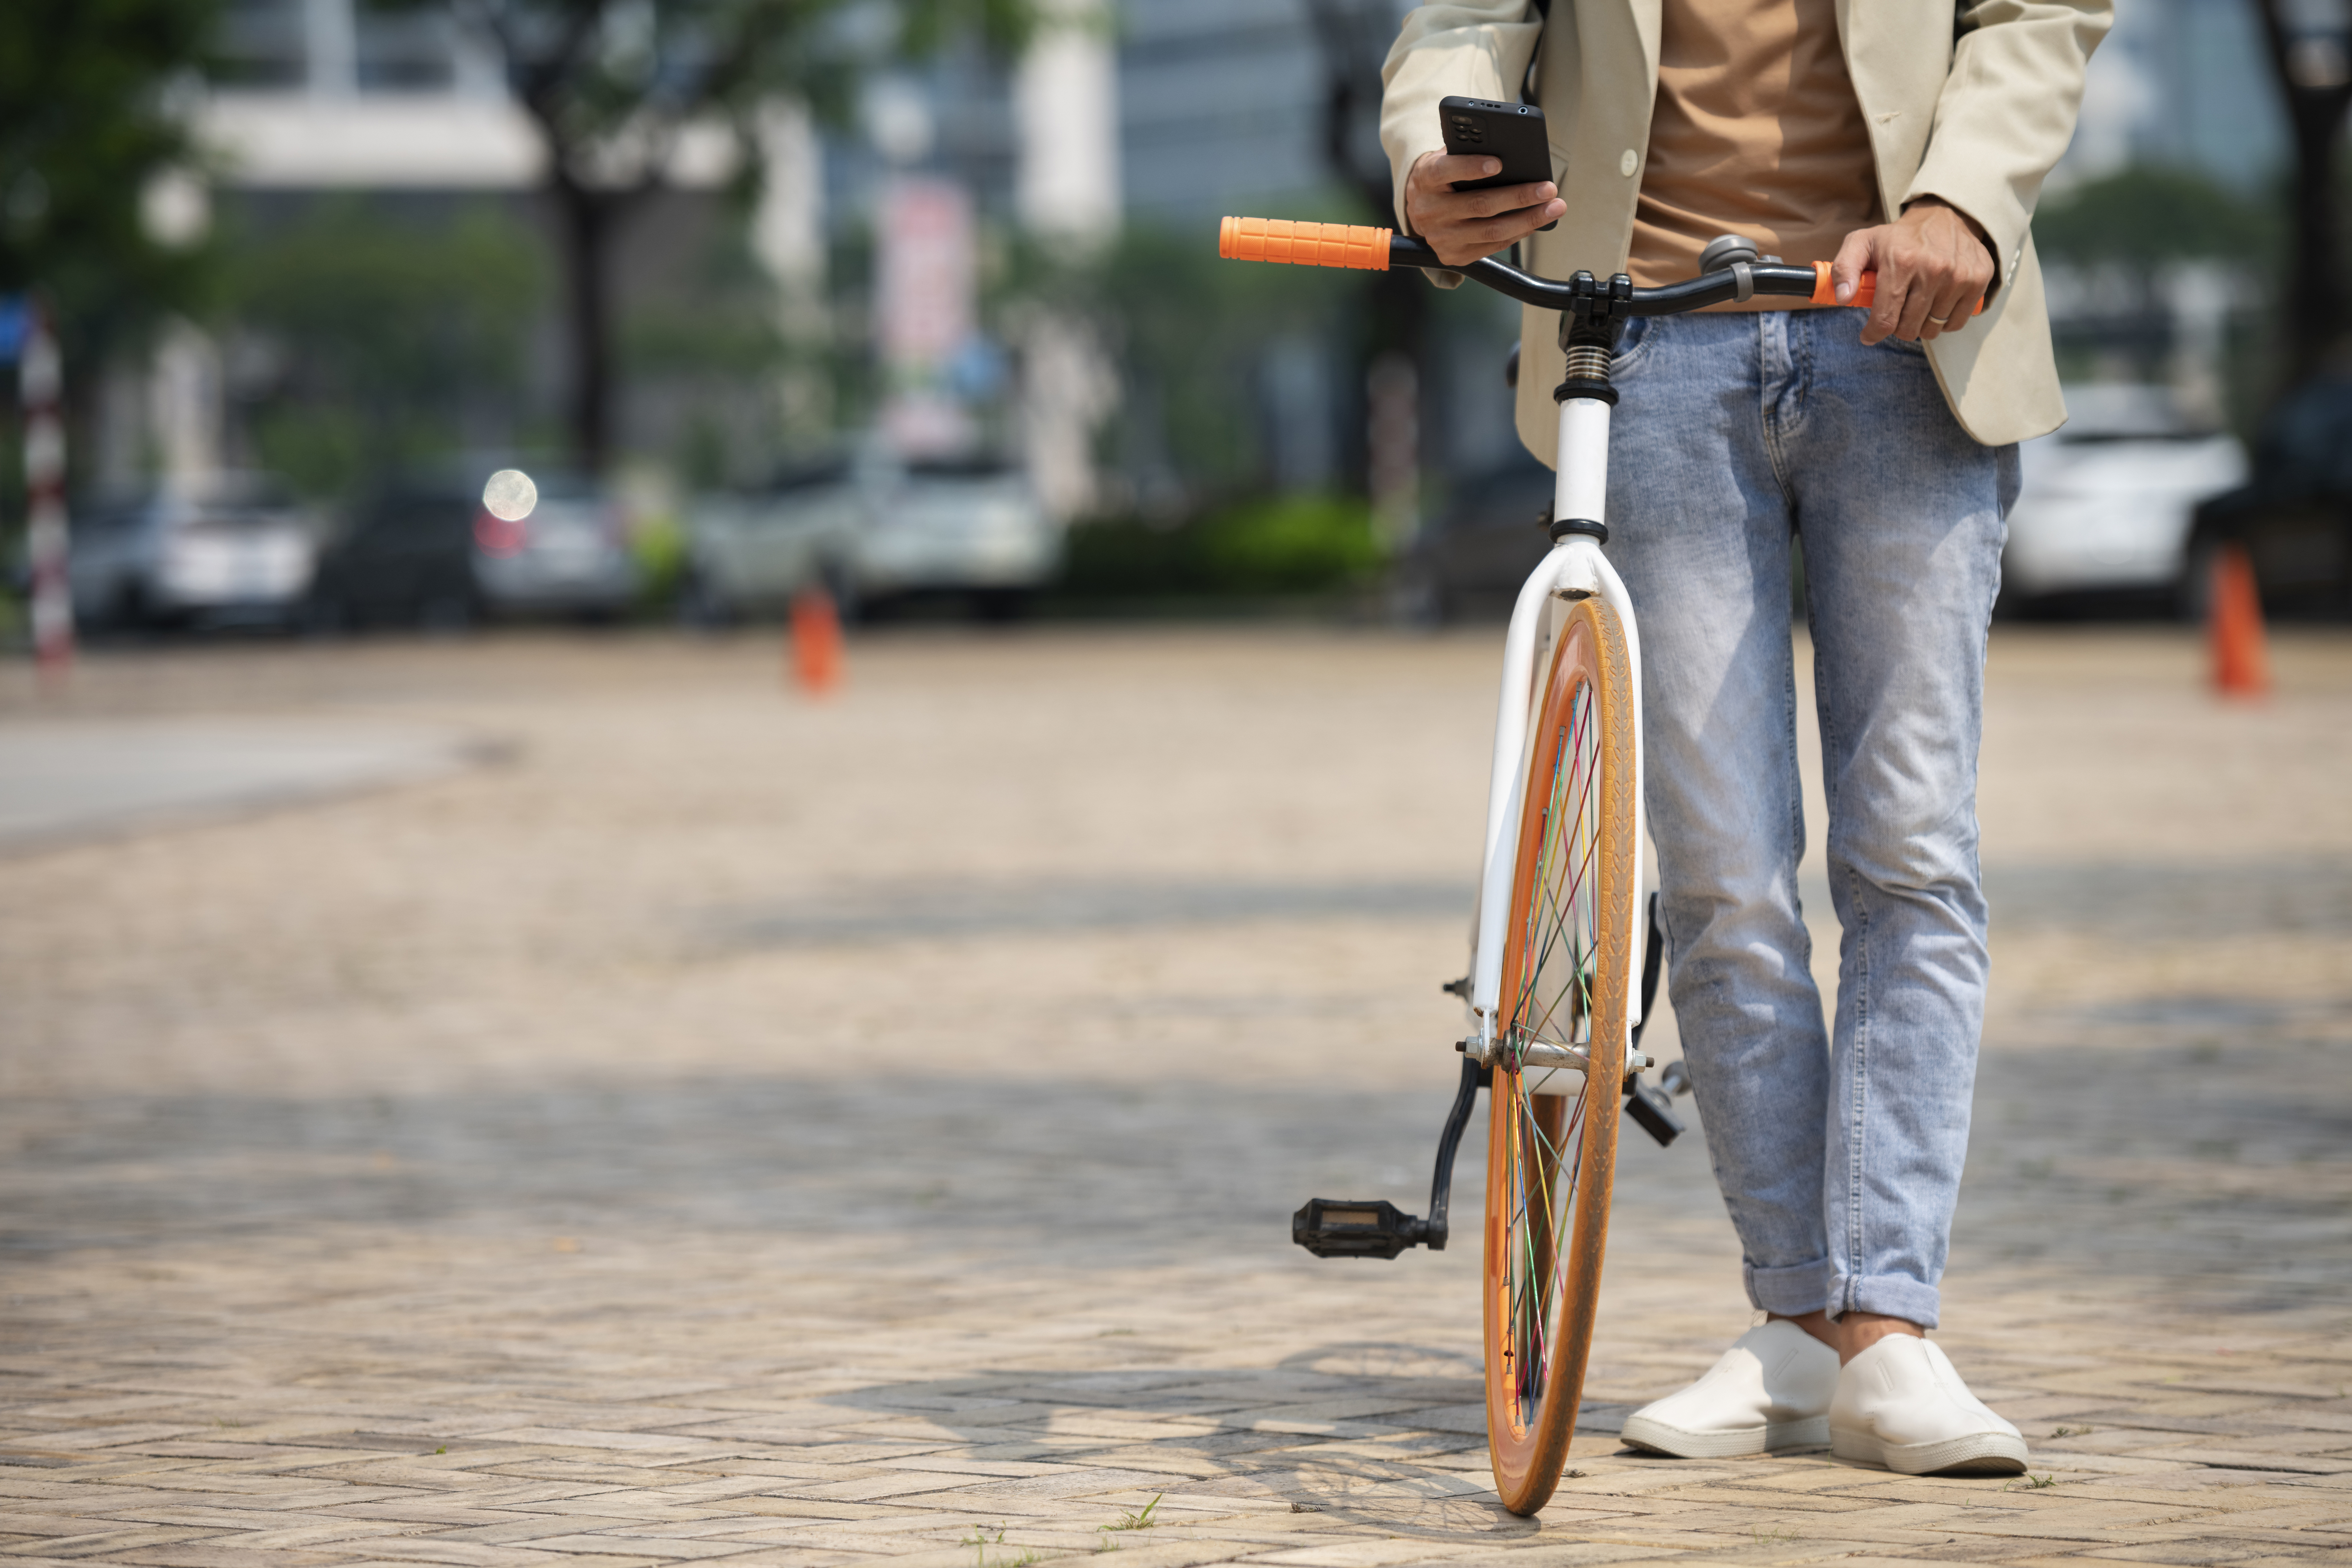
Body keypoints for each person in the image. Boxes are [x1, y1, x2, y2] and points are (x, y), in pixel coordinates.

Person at [1380, 0, 2108, 1476]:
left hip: (1910, 332)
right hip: (1646, 349)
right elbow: (1462, 22)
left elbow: (2034, 12)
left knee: (1907, 845)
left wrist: (1958, 198)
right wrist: (1427, 157)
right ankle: (1796, 1315)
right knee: (1718, 865)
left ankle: (1884, 1321)